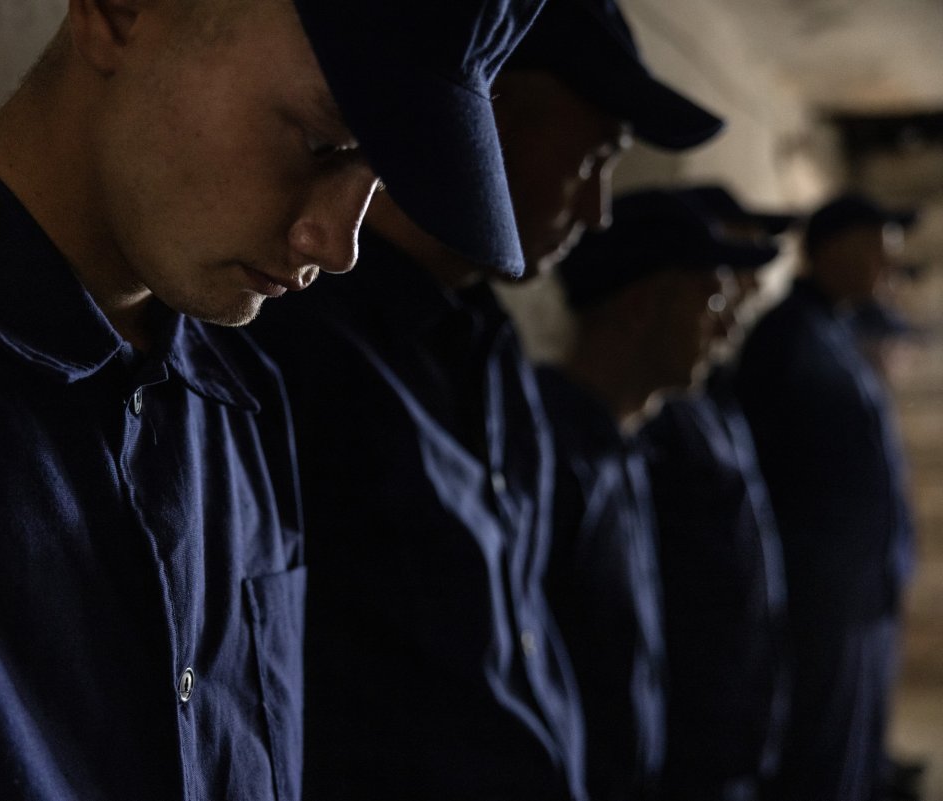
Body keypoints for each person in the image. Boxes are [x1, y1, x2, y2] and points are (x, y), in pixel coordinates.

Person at [0, 0, 546, 797]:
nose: (337, 244)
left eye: (381, 181)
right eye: (321, 143)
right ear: (121, 14)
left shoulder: (246, 409)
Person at [249, 2, 723, 798]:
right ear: (487, 110)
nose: (596, 210)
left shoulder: (496, 356)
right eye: (592, 158)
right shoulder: (295, 342)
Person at [539, 189, 777, 801]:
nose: (725, 325)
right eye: (710, 298)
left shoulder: (630, 450)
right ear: (643, 304)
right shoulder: (548, 453)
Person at [736, 192, 919, 801]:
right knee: (817, 759)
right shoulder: (786, 339)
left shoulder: (832, 334)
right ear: (831, 250)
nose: (884, 269)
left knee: (851, 753)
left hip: (854, 594)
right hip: (821, 599)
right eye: (874, 253)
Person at [638, 184, 794, 801]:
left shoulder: (711, 398)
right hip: (687, 733)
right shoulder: (659, 415)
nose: (735, 302)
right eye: (716, 284)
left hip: (729, 718)